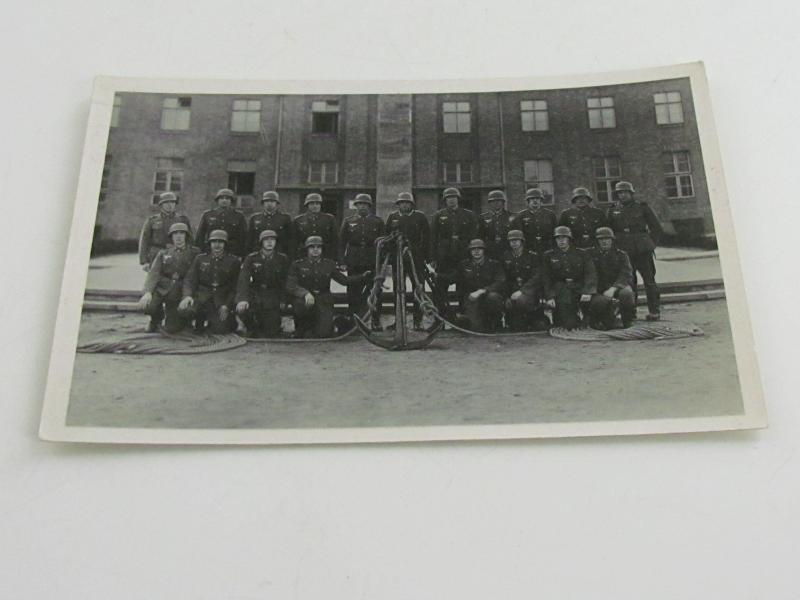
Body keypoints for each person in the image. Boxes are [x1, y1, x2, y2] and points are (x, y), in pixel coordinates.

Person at [286, 236, 371, 339]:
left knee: (323, 334)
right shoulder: (297, 265)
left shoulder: (328, 264)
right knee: (300, 311)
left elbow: (344, 280)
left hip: (323, 300)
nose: (316, 250)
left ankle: (331, 324)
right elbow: (291, 285)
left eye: (319, 247)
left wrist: (363, 277)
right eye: (312, 247)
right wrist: (305, 293)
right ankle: (302, 328)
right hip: (305, 301)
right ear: (307, 249)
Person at [606, 180, 664, 321]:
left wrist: (650, 244)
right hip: (624, 250)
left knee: (649, 280)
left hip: (642, 249)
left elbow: (656, 228)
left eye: (626, 192)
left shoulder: (642, 207)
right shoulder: (613, 210)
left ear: (631, 194)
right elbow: (609, 231)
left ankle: (654, 310)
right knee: (629, 282)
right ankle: (631, 311)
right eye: (620, 193)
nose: (623, 195)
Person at [137, 222, 200, 333]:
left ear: (187, 236)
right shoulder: (163, 253)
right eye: (175, 234)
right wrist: (147, 292)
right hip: (163, 288)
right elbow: (154, 273)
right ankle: (155, 320)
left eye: (182, 233)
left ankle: (186, 322)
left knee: (172, 328)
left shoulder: (194, 253)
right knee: (148, 305)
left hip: (182, 290)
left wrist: (187, 296)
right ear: (171, 237)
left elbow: (193, 277)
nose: (179, 237)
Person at [179, 230, 242, 334]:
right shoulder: (200, 259)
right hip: (201, 296)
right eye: (214, 242)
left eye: (220, 242)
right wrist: (187, 296)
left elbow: (235, 287)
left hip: (220, 300)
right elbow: (189, 280)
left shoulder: (233, 261)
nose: (217, 245)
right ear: (210, 243)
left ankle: (216, 322)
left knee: (220, 330)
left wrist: (227, 305)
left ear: (225, 244)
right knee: (185, 310)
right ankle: (197, 321)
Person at [438, 239, 506, 333]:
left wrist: (482, 291)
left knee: (493, 297)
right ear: (470, 251)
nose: (476, 251)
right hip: (471, 300)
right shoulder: (464, 264)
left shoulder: (494, 264)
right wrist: (436, 275)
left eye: (479, 249)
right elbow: (452, 278)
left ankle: (494, 322)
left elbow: (499, 282)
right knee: (476, 329)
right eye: (473, 249)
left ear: (484, 250)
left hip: (487, 297)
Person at [385, 191, 431, 330]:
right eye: (402, 203)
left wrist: (425, 257)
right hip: (397, 259)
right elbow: (387, 238)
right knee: (398, 289)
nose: (404, 205)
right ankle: (399, 320)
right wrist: (388, 258)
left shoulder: (420, 217)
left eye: (407, 203)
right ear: (398, 204)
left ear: (412, 204)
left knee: (418, 288)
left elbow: (427, 238)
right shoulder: (392, 217)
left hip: (415, 258)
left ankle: (418, 321)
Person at [338, 193, 385, 330]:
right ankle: (355, 320)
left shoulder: (377, 221)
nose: (362, 207)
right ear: (356, 206)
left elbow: (383, 243)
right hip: (354, 260)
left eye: (365, 204)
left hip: (372, 260)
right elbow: (342, 243)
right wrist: (341, 261)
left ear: (369, 206)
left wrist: (382, 262)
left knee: (375, 291)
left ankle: (375, 320)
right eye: (359, 204)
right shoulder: (348, 221)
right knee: (353, 291)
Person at [430, 187, 479, 316]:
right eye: (448, 198)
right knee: (440, 289)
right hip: (444, 257)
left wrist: (472, 257)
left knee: (463, 287)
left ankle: (464, 317)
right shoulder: (438, 216)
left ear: (458, 199)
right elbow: (433, 238)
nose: (451, 200)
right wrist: (433, 258)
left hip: (463, 256)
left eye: (454, 198)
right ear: (445, 200)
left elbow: (474, 236)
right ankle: (440, 318)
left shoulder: (469, 215)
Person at [235, 230, 291, 338]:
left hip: (273, 295)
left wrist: (284, 300)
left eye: (272, 240)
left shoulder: (282, 259)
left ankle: (268, 326)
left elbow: (285, 281)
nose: (270, 242)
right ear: (261, 242)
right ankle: (251, 327)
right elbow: (243, 279)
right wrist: (243, 299)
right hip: (256, 293)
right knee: (243, 310)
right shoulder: (252, 258)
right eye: (266, 240)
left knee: (271, 332)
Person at [542, 225, 599, 330]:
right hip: (561, 289)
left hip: (579, 287)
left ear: (569, 239)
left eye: (564, 238)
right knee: (568, 325)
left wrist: (587, 291)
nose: (561, 241)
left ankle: (588, 318)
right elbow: (546, 278)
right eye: (558, 238)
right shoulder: (549, 255)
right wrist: (549, 296)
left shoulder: (582, 253)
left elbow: (590, 274)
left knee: (595, 308)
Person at [587, 227, 636, 329]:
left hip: (617, 286)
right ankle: (600, 320)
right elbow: (589, 274)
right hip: (598, 287)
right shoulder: (590, 254)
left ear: (612, 240)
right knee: (599, 302)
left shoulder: (621, 255)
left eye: (607, 239)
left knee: (626, 294)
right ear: (597, 241)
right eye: (601, 240)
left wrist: (614, 288)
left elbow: (626, 273)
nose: (604, 242)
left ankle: (627, 320)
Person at [502, 230, 550, 332]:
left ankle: (533, 318)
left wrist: (522, 291)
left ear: (522, 241)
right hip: (512, 291)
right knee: (516, 327)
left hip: (530, 291)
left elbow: (537, 276)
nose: (514, 243)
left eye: (516, 240)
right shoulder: (506, 256)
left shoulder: (532, 256)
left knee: (522, 301)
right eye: (511, 241)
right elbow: (504, 277)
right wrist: (506, 296)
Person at [137, 191, 192, 271]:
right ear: (161, 205)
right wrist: (144, 261)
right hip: (156, 255)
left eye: (172, 202)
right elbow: (144, 240)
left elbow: (189, 239)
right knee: (155, 280)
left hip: (176, 254)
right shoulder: (152, 220)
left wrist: (189, 256)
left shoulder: (182, 219)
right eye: (166, 202)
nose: (170, 205)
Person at [195, 188, 248, 257]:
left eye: (227, 198)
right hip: (211, 251)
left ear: (231, 201)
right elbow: (200, 236)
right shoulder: (208, 214)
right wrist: (202, 252)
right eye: (222, 198)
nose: (224, 200)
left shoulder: (239, 216)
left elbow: (243, 238)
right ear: (217, 200)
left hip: (232, 252)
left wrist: (241, 255)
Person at [509, 188, 557, 254]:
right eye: (532, 199)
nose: (535, 201)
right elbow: (518, 236)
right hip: (528, 251)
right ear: (528, 201)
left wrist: (552, 249)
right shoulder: (520, 216)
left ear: (541, 200)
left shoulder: (550, 215)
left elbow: (555, 234)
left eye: (537, 198)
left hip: (547, 250)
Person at [292, 193, 338, 260]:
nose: (315, 206)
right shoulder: (298, 220)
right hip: (303, 255)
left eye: (317, 204)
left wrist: (336, 257)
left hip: (325, 255)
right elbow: (294, 241)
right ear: (307, 205)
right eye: (312, 204)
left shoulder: (329, 219)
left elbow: (335, 240)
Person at [246, 190, 292, 256]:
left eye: (272, 201)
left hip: (278, 255)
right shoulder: (255, 218)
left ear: (277, 203)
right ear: (263, 203)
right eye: (267, 201)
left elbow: (290, 240)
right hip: (258, 255)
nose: (269, 203)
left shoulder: (285, 218)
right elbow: (249, 240)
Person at [479, 189, 513, 260]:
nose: (496, 203)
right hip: (489, 250)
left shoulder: (511, 216)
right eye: (493, 201)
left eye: (499, 201)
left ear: (503, 202)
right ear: (490, 203)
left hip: (507, 249)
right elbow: (480, 235)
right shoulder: (483, 217)